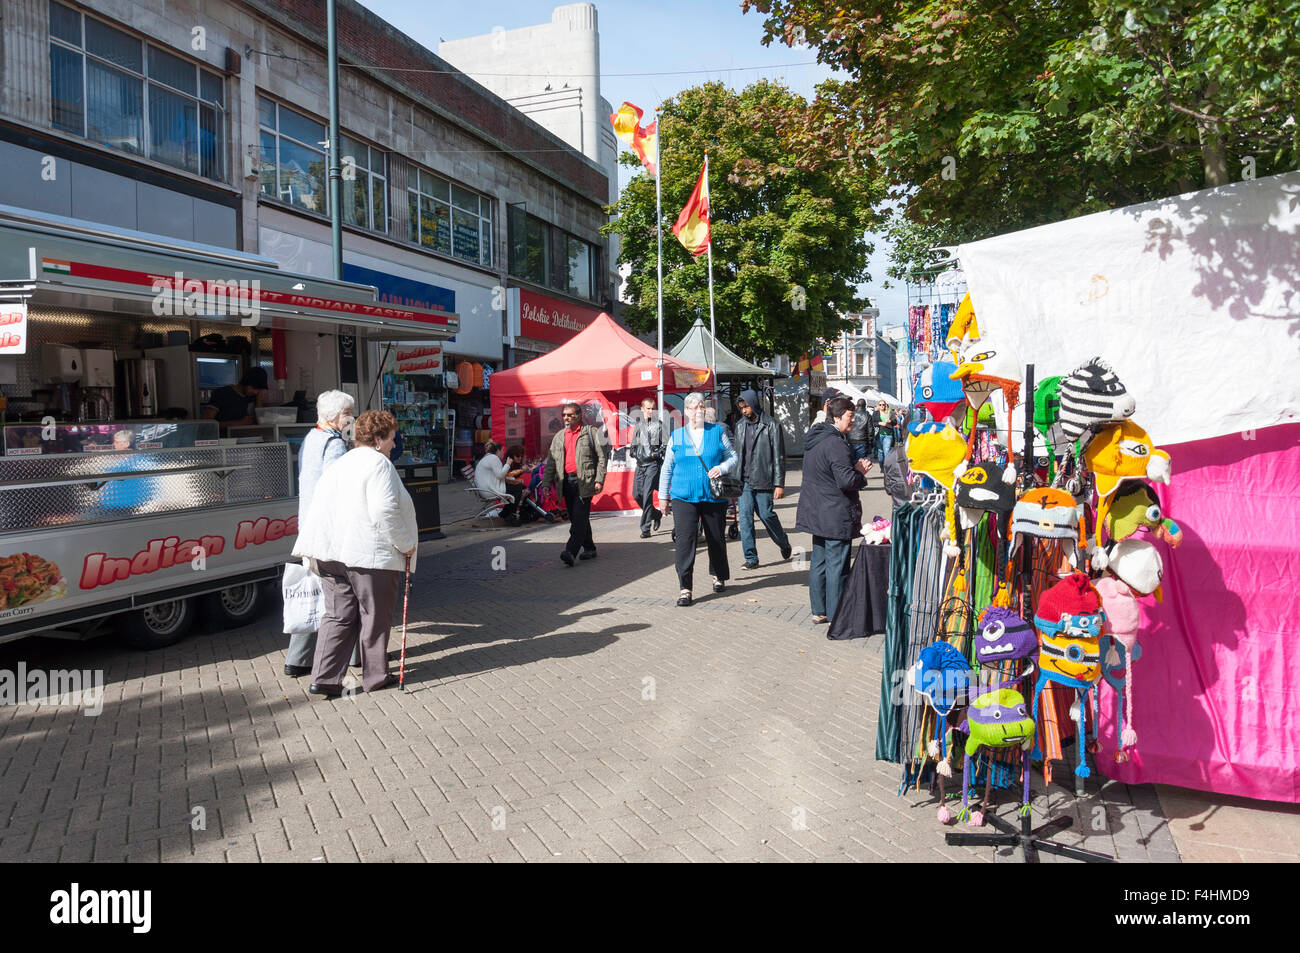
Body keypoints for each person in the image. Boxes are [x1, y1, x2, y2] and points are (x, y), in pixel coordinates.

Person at [292, 410, 417, 697]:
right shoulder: (379, 465)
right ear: (377, 439)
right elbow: (383, 510)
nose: (394, 445)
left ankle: (323, 677)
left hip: (329, 552)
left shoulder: (339, 464)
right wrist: (405, 542)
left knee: (337, 616)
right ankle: (375, 676)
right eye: (391, 439)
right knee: (375, 615)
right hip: (366, 555)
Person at [285, 390, 356, 677]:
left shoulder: (311, 438)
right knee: (344, 593)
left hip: (308, 525)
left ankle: (298, 658)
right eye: (348, 413)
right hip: (329, 528)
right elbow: (337, 486)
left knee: (314, 591)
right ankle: (351, 656)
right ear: (333, 416)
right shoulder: (334, 443)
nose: (352, 417)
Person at [796, 396, 873, 624]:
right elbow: (846, 481)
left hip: (817, 511)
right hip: (834, 513)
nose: (853, 422)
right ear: (837, 417)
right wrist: (859, 471)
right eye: (850, 417)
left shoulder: (816, 439)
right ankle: (838, 613)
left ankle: (819, 610)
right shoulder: (836, 444)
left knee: (819, 563)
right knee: (837, 565)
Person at [659, 392, 738, 607]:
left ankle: (718, 575)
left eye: (701, 406)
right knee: (685, 541)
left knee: (715, 538)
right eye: (693, 407)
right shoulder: (677, 436)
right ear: (685, 411)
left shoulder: (717, 432)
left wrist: (721, 468)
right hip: (683, 496)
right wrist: (662, 496)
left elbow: (733, 456)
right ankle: (685, 588)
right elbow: (667, 467)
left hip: (712, 496)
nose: (698, 411)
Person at [541, 402, 608, 566]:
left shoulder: (591, 433)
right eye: (564, 415)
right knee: (577, 517)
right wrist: (546, 483)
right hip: (565, 482)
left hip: (585, 481)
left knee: (579, 517)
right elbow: (551, 463)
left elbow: (602, 458)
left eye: (570, 415)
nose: (566, 418)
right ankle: (590, 547)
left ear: (579, 415)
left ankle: (570, 551)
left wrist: (599, 480)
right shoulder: (559, 436)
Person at [733, 388, 792, 570]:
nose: (744, 411)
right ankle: (751, 557)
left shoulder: (772, 425)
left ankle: (783, 541)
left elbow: (778, 457)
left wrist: (779, 484)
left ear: (754, 405)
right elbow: (737, 454)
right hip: (744, 481)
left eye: (747, 407)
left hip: (764, 479)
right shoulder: (740, 426)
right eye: (741, 408)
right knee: (745, 518)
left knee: (766, 515)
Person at [630, 397, 670, 538]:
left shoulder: (660, 425)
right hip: (640, 465)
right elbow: (633, 444)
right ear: (642, 409)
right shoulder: (638, 425)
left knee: (647, 496)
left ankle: (645, 528)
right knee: (636, 495)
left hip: (653, 465)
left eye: (653, 408)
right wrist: (633, 452)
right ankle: (656, 514)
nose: (650, 411)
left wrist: (655, 454)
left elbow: (665, 446)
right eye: (648, 408)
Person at [203, 367, 268, 430]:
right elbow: (207, 424)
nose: (255, 392)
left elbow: (260, 420)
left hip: (248, 439)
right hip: (225, 439)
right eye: (254, 388)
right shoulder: (222, 393)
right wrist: (240, 423)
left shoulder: (253, 396)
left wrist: (259, 397)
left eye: (259, 390)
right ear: (246, 382)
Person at [474, 440, 519, 525]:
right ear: (498, 451)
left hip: (485, 490)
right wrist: (508, 464)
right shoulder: (494, 458)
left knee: (516, 486)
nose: (503, 453)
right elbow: (500, 475)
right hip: (489, 492)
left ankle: (506, 513)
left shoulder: (487, 458)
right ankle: (510, 516)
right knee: (517, 487)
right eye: (502, 451)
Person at [882, 440, 913, 508]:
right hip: (930, 512)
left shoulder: (891, 455)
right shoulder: (934, 454)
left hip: (901, 511)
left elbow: (888, 489)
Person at [849, 399, 873, 464]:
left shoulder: (852, 414)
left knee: (851, 463)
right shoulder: (867, 415)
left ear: (857, 405)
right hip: (862, 441)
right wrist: (870, 443)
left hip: (851, 440)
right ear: (865, 406)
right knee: (860, 463)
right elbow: (870, 430)